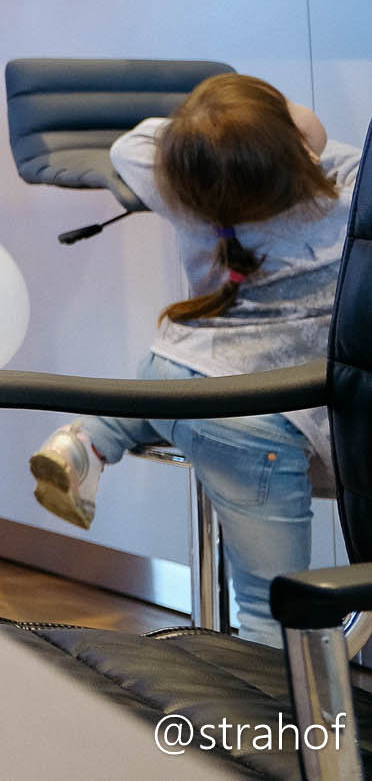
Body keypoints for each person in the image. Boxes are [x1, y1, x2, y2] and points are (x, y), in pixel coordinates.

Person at [29, 75, 361, 645]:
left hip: (176, 373)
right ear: (298, 149)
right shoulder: (346, 203)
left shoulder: (187, 192)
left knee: (166, 388)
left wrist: (214, 142)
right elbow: (352, 158)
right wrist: (301, 136)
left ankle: (87, 442)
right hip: (256, 421)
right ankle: (266, 705)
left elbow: (130, 146)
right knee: (273, 607)